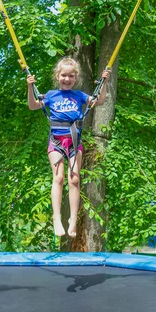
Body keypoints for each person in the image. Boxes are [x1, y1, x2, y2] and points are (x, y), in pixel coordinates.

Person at [27, 57, 110, 237]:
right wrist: (30, 87)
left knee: (74, 179)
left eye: (71, 76)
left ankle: (72, 219)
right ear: (58, 76)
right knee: (58, 178)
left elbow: (100, 101)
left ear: (75, 77)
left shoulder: (79, 95)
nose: (67, 79)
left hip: (74, 142)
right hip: (56, 142)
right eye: (64, 75)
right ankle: (56, 218)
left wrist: (104, 82)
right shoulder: (50, 95)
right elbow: (33, 106)